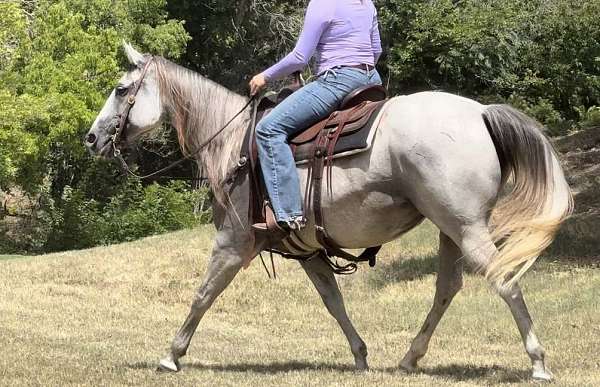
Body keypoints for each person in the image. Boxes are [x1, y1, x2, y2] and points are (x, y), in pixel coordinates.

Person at [249, 0, 383, 233]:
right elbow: (376, 51)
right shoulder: (367, 3)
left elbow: (300, 57)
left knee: (268, 129)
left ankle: (289, 214)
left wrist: (265, 76)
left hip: (338, 80)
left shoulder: (323, 3)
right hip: (372, 79)